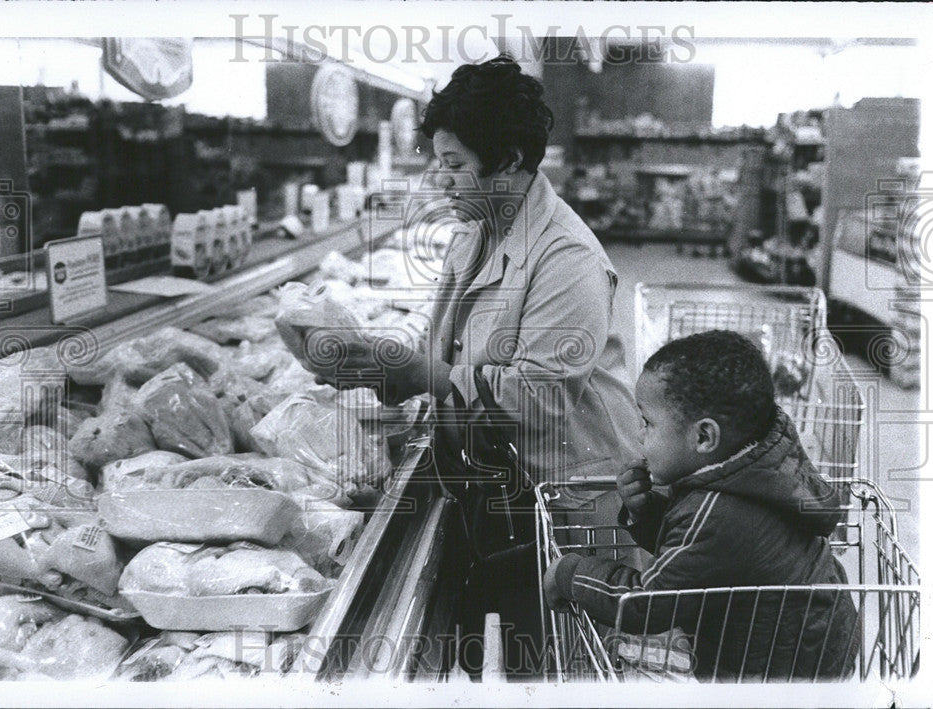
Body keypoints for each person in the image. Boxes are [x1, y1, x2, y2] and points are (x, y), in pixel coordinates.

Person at [299, 55, 643, 677]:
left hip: (567, 505)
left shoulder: (566, 258)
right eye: (438, 162)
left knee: (562, 667)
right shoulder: (475, 229)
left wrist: (415, 373)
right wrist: (371, 363)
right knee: (513, 651)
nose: (441, 181)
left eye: (455, 165)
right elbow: (444, 349)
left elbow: (534, 403)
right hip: (500, 489)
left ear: (509, 161)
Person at [542, 330, 860, 681]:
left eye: (647, 422)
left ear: (704, 437)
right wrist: (645, 512)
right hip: (813, 646)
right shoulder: (760, 467)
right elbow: (697, 561)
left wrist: (570, 573)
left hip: (775, 675)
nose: (638, 434)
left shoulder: (718, 512)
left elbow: (646, 605)